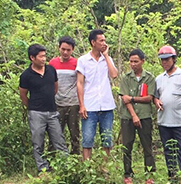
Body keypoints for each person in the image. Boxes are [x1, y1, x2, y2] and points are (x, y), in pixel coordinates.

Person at [19, 44, 68, 173]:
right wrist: (31, 106)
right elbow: (23, 94)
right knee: (38, 142)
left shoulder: (51, 70)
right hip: (36, 113)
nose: (43, 59)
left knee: (59, 140)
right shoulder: (26, 75)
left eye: (44, 56)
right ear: (32, 58)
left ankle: (66, 167)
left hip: (52, 111)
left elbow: (55, 88)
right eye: (40, 57)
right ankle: (43, 169)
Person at [154, 45, 181, 184]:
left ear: (174, 59)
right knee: (168, 149)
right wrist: (156, 101)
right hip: (163, 120)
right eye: (162, 60)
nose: (164, 62)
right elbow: (156, 96)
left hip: (180, 120)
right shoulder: (159, 78)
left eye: (167, 59)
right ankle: (172, 176)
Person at [76, 29, 118, 160]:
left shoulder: (108, 59)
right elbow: (80, 83)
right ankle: (87, 167)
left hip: (106, 105)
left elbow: (114, 75)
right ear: (93, 42)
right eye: (101, 41)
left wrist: (106, 55)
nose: (104, 43)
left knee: (107, 139)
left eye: (105, 40)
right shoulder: (83, 60)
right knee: (87, 139)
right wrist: (82, 105)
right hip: (90, 106)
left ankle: (105, 167)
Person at [119, 48, 156, 184]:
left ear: (142, 61)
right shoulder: (126, 78)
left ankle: (150, 174)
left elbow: (149, 98)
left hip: (145, 116)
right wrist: (134, 115)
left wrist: (133, 98)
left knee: (147, 145)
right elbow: (124, 99)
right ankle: (128, 174)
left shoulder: (149, 78)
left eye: (136, 61)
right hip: (127, 117)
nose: (133, 64)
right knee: (127, 145)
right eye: (131, 61)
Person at [48, 36, 80, 156]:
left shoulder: (77, 63)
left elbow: (81, 83)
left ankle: (76, 159)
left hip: (73, 103)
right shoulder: (52, 63)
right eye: (63, 49)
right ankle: (52, 160)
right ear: (59, 48)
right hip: (57, 103)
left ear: (72, 50)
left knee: (74, 133)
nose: (65, 52)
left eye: (68, 50)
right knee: (55, 132)